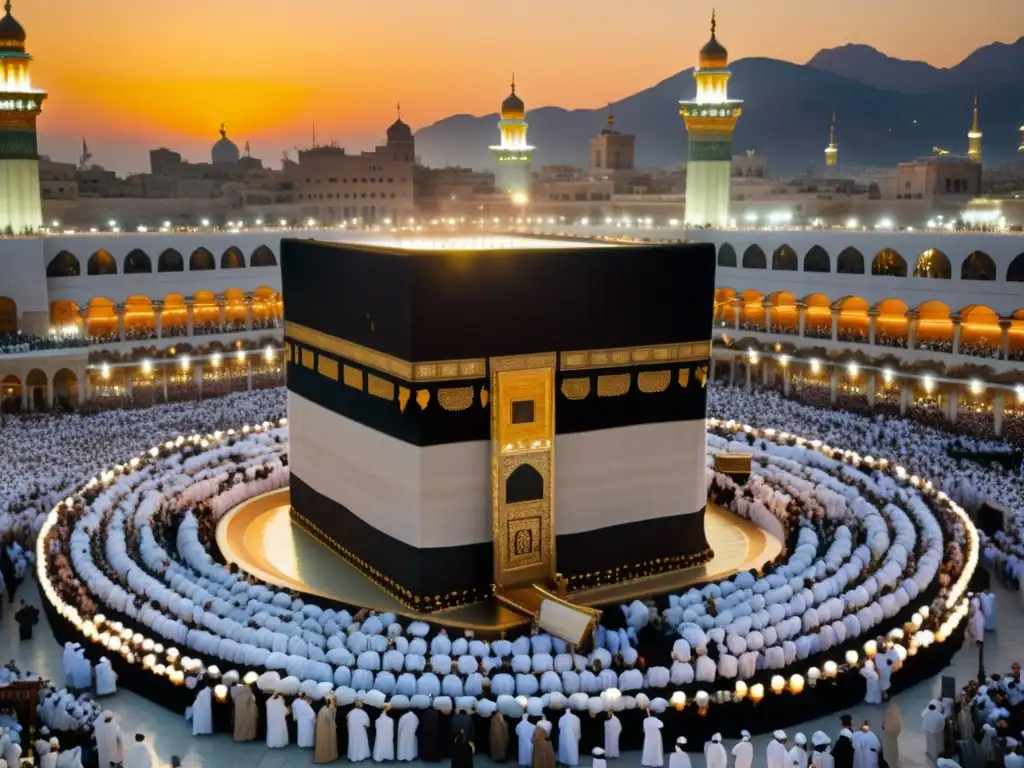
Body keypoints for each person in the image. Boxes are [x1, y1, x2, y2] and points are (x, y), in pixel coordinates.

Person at [315, 697, 339, 764]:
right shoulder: (325, 711)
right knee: (326, 743)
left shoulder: (324, 709)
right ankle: (325, 757)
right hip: (325, 730)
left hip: (325, 729)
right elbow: (331, 720)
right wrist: (334, 711)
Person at [921, 701, 946, 766]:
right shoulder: (939, 715)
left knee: (929, 741)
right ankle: (938, 754)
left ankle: (930, 753)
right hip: (936, 732)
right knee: (938, 743)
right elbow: (942, 723)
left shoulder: (925, 712)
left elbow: (922, 716)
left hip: (927, 729)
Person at [882, 701, 902, 768]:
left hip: (889, 737)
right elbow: (898, 728)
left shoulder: (888, 717)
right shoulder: (896, 719)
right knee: (893, 750)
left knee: (890, 750)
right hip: (892, 737)